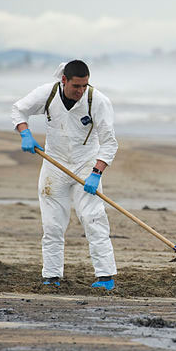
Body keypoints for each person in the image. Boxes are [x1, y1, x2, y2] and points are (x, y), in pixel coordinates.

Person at [11, 60, 118, 289]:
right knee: (52, 224)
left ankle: (105, 277)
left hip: (86, 164)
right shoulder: (48, 94)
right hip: (55, 164)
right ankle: (51, 277)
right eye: (76, 86)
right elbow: (18, 109)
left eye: (85, 86)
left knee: (93, 218)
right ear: (64, 80)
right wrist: (25, 133)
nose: (81, 91)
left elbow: (109, 143)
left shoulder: (97, 101)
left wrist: (96, 173)